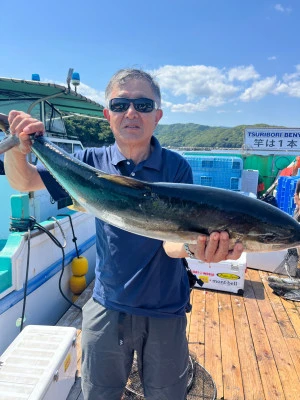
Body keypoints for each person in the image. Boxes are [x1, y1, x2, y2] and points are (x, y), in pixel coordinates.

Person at [4, 69, 243, 400]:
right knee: (98, 393)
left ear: (157, 116)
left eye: (143, 105)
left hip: (165, 309)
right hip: (107, 304)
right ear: (108, 115)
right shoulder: (89, 162)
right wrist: (20, 145)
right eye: (120, 104)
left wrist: (196, 248)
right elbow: (24, 182)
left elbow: (172, 243)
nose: (131, 112)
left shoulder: (176, 168)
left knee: (167, 394)